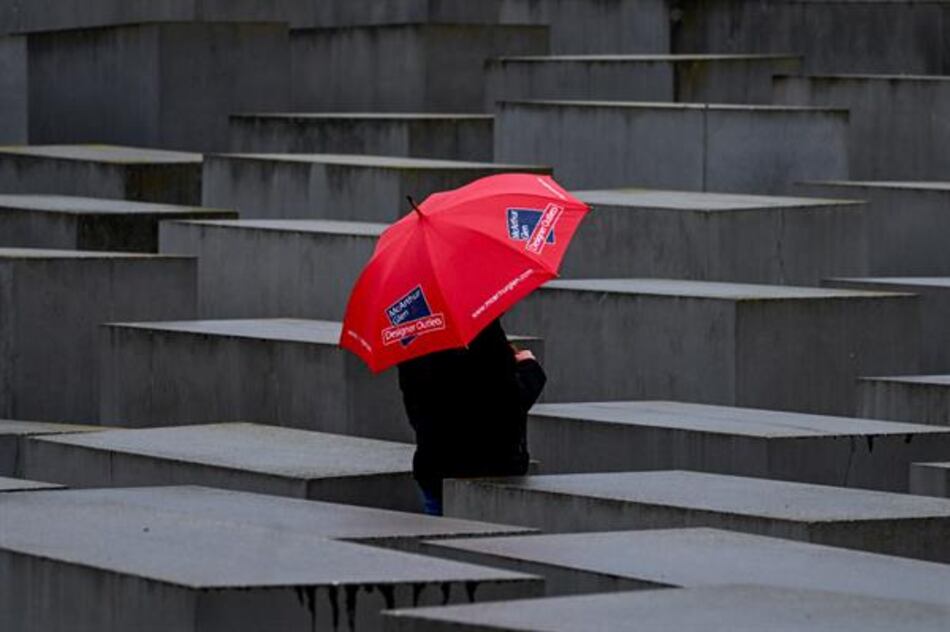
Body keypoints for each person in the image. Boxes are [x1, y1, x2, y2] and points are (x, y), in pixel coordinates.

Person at [397, 318, 547, 515]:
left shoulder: (412, 330)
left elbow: (415, 406)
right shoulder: (481, 330)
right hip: (489, 471)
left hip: (435, 468)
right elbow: (508, 404)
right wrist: (529, 367)